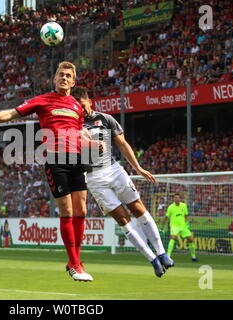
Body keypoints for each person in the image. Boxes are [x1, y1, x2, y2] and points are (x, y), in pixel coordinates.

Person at [0, 61, 102, 282]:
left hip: (77, 159)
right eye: (60, 75)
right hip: (56, 159)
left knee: (81, 211)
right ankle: (75, 264)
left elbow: (79, 133)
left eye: (68, 76)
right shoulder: (43, 100)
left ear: (73, 82)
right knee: (66, 211)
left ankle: (75, 260)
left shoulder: (76, 106)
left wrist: (92, 145)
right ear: (54, 79)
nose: (64, 78)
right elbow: (12, 113)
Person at [71, 87, 174, 278]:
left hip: (114, 170)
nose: (80, 109)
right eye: (76, 106)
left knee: (138, 209)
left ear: (89, 101)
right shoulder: (72, 126)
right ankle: (152, 260)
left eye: (82, 104)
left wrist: (138, 168)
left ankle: (162, 253)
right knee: (123, 220)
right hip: (94, 177)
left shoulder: (106, 119)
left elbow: (123, 144)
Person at [161, 193, 198, 261]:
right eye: (175, 198)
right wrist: (161, 227)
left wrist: (187, 224)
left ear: (180, 199)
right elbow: (166, 217)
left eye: (178, 198)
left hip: (183, 226)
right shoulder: (170, 207)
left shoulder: (184, 206)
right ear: (173, 199)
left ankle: (193, 257)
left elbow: (186, 216)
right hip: (174, 226)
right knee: (173, 238)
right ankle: (168, 256)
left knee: (190, 239)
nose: (176, 199)